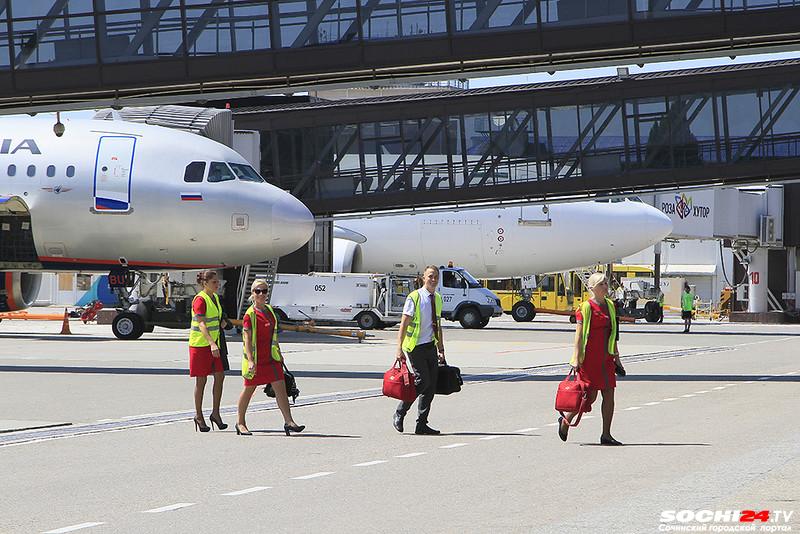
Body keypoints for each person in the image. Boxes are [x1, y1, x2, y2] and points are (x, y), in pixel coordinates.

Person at [559, 272, 625, 446]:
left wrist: (617, 358)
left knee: (609, 394)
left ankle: (606, 434)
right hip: (589, 359)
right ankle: (566, 421)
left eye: (606, 283)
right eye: (602, 284)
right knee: (589, 397)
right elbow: (579, 335)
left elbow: (613, 335)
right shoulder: (585, 308)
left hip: (606, 358)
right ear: (593, 288)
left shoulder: (610, 306)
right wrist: (575, 357)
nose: (606, 286)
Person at [236, 279, 304, 436]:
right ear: (252, 294)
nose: (261, 294)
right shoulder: (250, 315)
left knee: (281, 389)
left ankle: (289, 421)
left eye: (264, 291)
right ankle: (240, 423)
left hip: (271, 358)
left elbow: (273, 335)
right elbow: (246, 339)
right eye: (257, 291)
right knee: (249, 390)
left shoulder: (269, 311)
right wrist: (251, 360)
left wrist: (279, 352)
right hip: (256, 360)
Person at [393, 265, 446, 435]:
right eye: (430, 276)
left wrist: (441, 348)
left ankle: (421, 424)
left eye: (436, 276)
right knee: (422, 382)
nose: (433, 279)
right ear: (424, 278)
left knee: (430, 388)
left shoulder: (437, 298)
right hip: (415, 346)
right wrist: (399, 349)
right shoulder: (414, 297)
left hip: (430, 345)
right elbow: (404, 323)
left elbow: (438, 325)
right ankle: (400, 412)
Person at [189, 270, 228, 432]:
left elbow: (216, 320)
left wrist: (223, 323)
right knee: (201, 380)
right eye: (214, 282)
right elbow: (201, 324)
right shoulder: (200, 299)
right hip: (200, 345)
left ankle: (216, 413)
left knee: (220, 376)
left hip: (214, 343)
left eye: (217, 281)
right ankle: (198, 415)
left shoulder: (216, 298)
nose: (217, 284)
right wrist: (212, 343)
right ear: (204, 283)